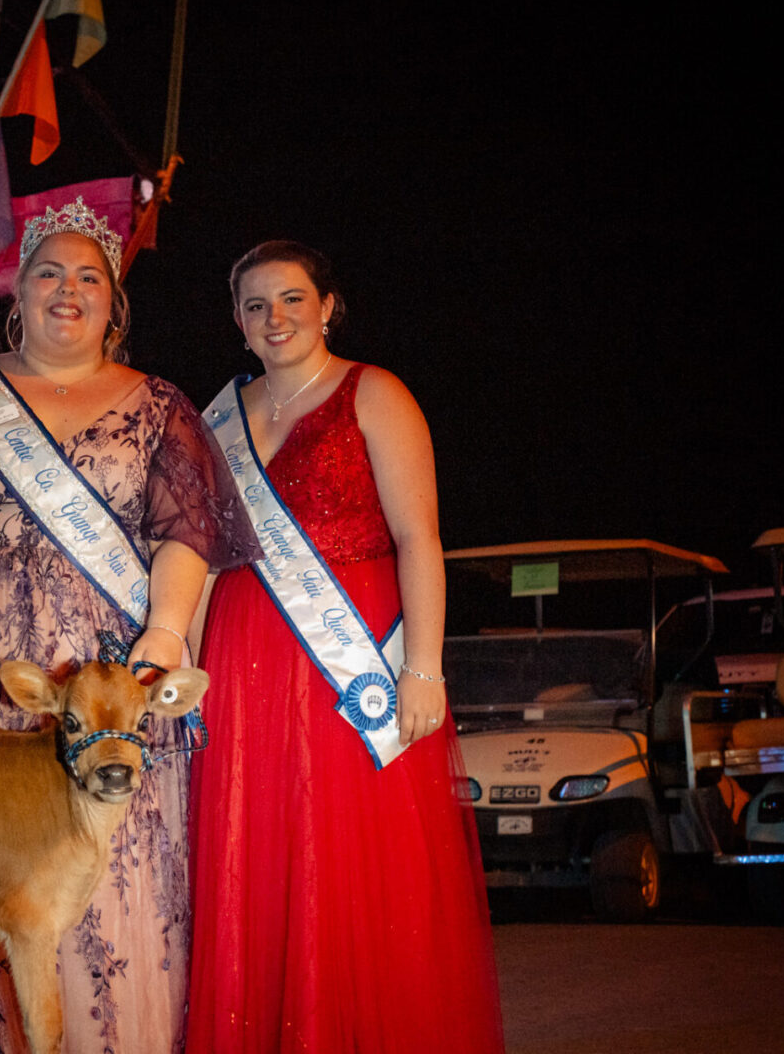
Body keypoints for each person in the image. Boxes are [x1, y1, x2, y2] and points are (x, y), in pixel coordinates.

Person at [0, 197, 257, 1054]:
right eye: (48, 273)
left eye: (88, 278)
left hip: (104, 679)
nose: (67, 291)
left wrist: (168, 629)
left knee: (96, 879)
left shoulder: (159, 404)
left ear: (114, 304)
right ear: (18, 293)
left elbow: (187, 532)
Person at [186, 241, 503, 1052]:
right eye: (255, 305)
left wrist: (423, 668)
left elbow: (417, 537)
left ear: (326, 306)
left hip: (351, 652)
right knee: (254, 855)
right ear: (236, 322)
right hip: (239, 654)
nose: (275, 318)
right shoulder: (216, 413)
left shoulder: (374, 392)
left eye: (292, 299)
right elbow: (193, 550)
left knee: (353, 857)